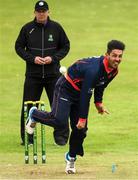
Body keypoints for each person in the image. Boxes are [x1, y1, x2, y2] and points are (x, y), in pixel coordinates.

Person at [26, 40, 125, 173]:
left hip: (81, 92)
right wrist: (82, 119)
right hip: (66, 87)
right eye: (114, 55)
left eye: (120, 56)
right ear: (107, 54)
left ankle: (71, 158)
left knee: (81, 131)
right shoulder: (94, 70)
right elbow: (86, 95)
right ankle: (34, 114)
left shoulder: (113, 70)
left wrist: (98, 103)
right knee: (60, 122)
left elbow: (101, 84)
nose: (117, 59)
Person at [15, 0, 70, 145]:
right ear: (35, 12)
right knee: (28, 106)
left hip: (53, 76)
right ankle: (27, 138)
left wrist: (53, 58)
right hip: (33, 76)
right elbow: (19, 47)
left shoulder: (56, 28)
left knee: (59, 107)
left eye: (44, 11)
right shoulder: (27, 29)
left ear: (48, 12)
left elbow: (65, 46)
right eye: (39, 11)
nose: (41, 14)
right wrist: (33, 59)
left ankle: (61, 138)